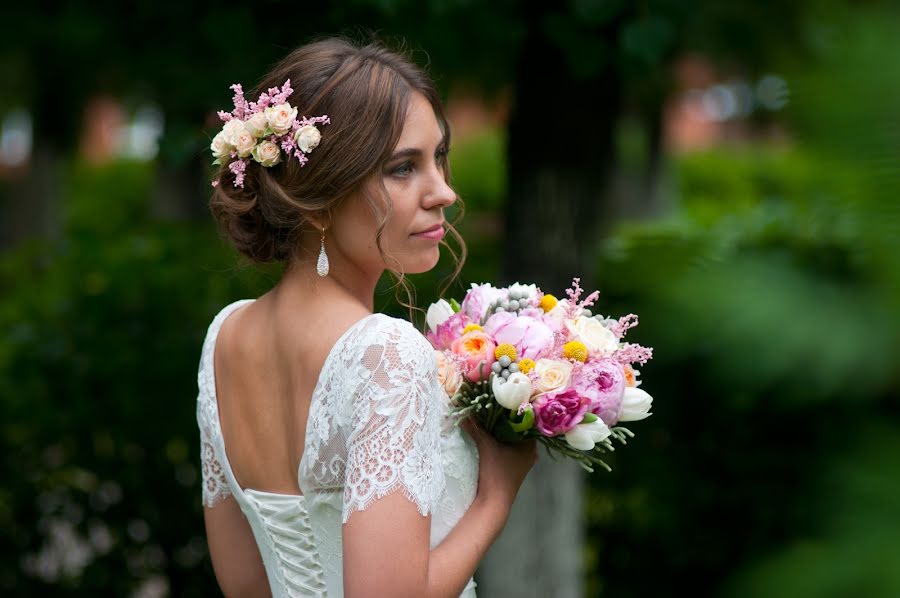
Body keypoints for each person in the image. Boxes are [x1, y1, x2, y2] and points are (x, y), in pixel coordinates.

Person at [196, 37, 537, 597]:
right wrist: (494, 500)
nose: (444, 192)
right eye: (403, 169)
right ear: (321, 193)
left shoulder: (226, 337)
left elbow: (245, 584)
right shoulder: (385, 352)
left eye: (439, 158)